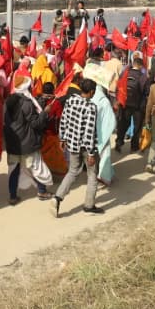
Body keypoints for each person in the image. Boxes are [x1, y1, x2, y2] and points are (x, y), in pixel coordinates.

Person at [53, 78, 102, 217]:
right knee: (92, 174)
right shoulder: (91, 107)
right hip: (86, 147)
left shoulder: (71, 100)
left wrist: (62, 138)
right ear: (91, 92)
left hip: (72, 143)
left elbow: (64, 119)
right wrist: (91, 153)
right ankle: (89, 205)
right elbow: (89, 132)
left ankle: (57, 198)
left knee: (72, 171)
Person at [4, 74, 53, 204]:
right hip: (26, 141)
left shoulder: (9, 101)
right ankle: (42, 191)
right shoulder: (27, 103)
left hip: (13, 142)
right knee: (36, 167)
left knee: (14, 170)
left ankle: (12, 196)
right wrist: (45, 112)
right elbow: (35, 123)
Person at [114, 54, 148, 153]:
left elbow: (118, 87)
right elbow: (146, 91)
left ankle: (119, 142)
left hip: (124, 103)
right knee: (137, 126)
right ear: (141, 66)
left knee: (123, 124)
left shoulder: (125, 73)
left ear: (133, 64)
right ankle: (134, 146)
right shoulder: (143, 77)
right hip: (138, 105)